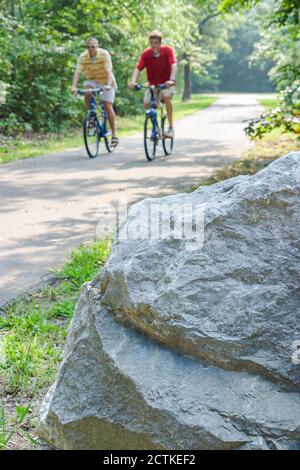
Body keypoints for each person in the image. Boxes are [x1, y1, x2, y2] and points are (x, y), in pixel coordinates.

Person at [129, 31, 177, 138]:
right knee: (147, 104)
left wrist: (171, 80)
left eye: (156, 42)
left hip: (167, 83)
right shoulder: (146, 54)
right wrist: (133, 82)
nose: (153, 45)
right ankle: (156, 128)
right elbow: (138, 68)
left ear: (160, 43)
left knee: (166, 96)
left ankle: (170, 128)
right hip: (153, 85)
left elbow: (174, 66)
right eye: (152, 43)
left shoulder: (168, 51)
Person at [71, 37, 118, 147]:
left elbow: (108, 70)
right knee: (87, 91)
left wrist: (108, 85)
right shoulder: (83, 57)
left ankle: (114, 135)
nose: (90, 49)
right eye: (88, 47)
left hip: (106, 80)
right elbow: (77, 72)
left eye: (93, 47)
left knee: (107, 106)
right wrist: (73, 86)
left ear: (98, 46)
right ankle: (91, 115)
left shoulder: (104, 54)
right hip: (92, 80)